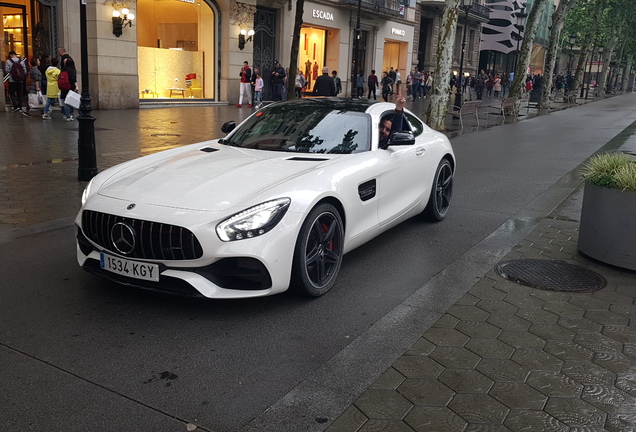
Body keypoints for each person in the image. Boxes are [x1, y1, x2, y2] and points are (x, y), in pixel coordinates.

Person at [5, 50, 28, 116]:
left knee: (12, 93)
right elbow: (24, 70)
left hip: (12, 80)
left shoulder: (8, 61)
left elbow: (7, 70)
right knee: (19, 93)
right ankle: (20, 106)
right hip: (20, 80)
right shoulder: (21, 61)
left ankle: (15, 106)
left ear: (10, 55)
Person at [60, 56, 78, 121]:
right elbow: (73, 79)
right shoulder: (72, 70)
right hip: (70, 87)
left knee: (66, 102)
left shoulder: (63, 70)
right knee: (73, 101)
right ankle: (71, 114)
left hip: (64, 87)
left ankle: (67, 115)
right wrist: (77, 86)